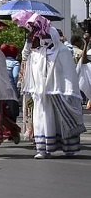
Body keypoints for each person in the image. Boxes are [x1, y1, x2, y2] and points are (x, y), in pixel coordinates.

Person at [24, 25, 86, 159]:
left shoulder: (62, 51)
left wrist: (68, 90)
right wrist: (29, 41)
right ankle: (43, 149)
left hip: (59, 93)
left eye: (46, 36)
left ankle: (69, 148)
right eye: (41, 36)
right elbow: (25, 57)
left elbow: (68, 73)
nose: (43, 38)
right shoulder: (37, 52)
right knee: (42, 120)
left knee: (63, 120)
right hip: (41, 95)